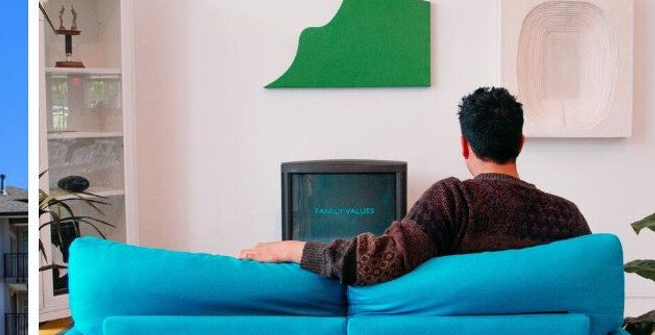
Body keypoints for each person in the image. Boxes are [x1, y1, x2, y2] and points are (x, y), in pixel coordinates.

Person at [237, 87, 590, 285]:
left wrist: (289, 250)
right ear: (521, 143)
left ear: (464, 145)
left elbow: (376, 262)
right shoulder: (567, 218)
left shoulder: (454, 200)